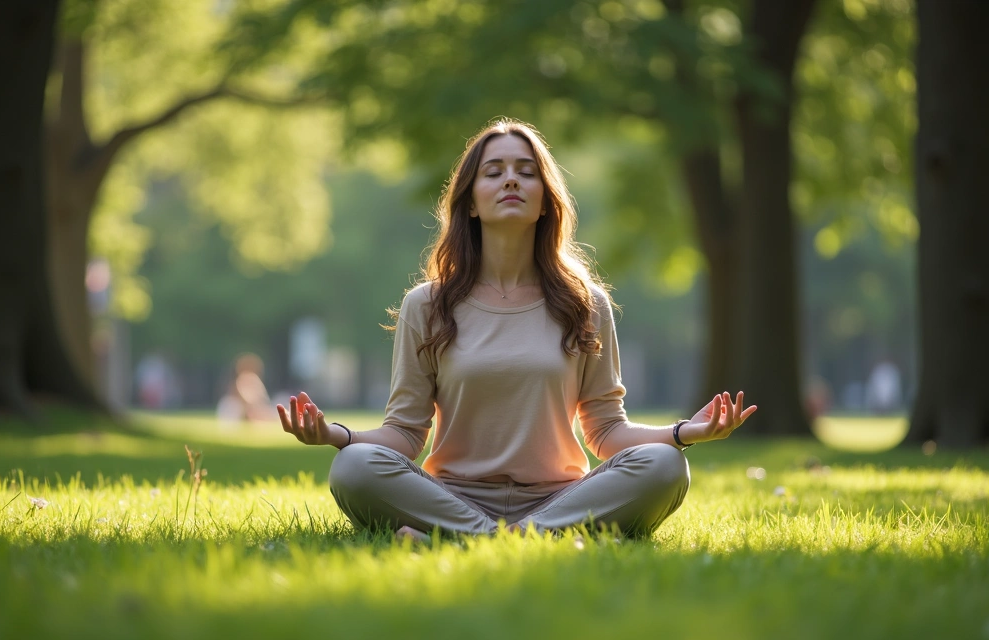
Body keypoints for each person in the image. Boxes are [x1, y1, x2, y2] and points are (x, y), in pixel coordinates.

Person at [277, 119, 756, 541]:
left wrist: (683, 433)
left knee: (667, 465)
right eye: (494, 172)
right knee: (353, 467)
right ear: (470, 202)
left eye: (527, 172)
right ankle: (528, 538)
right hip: (452, 497)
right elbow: (405, 433)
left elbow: (607, 430)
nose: (511, 179)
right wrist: (336, 435)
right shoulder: (426, 305)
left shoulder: (585, 303)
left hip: (560, 498)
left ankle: (473, 539)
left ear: (546, 200)